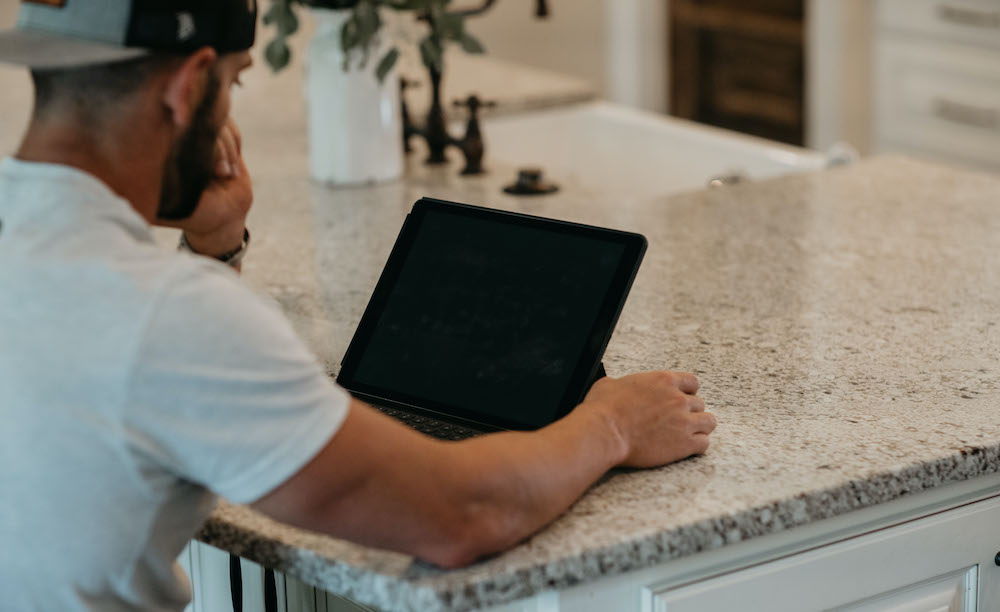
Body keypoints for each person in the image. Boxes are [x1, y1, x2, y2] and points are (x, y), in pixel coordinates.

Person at [0, 2, 717, 611]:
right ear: (187, 89)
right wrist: (614, 421)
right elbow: (461, 514)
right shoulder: (165, 317)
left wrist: (215, 247)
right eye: (232, 84)